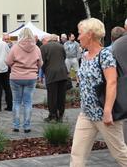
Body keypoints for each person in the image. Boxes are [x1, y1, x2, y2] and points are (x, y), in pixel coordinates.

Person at [70, 18, 127, 166]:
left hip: (104, 114)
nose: (78, 37)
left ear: (89, 34)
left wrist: (107, 110)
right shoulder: (84, 56)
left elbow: (112, 82)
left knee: (120, 154)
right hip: (86, 113)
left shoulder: (105, 55)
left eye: (80, 33)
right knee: (77, 154)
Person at [6, 28, 42, 133]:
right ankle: (27, 126)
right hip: (31, 77)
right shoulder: (36, 48)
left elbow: (8, 61)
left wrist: (15, 65)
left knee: (16, 102)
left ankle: (16, 125)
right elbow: (40, 64)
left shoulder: (15, 47)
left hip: (16, 77)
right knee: (28, 102)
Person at [40, 34, 68, 122]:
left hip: (51, 73)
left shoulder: (44, 47)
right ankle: (60, 115)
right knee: (61, 95)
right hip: (62, 73)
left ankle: (52, 115)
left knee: (52, 96)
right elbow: (64, 57)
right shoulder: (61, 46)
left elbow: (42, 62)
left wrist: (45, 71)